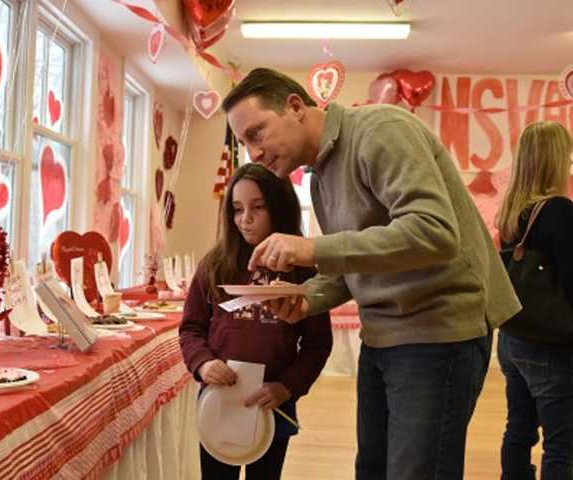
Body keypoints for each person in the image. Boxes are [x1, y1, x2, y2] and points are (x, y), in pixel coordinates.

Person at [222, 68, 521, 480]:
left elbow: (433, 232)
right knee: (374, 470)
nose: (253, 152)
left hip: (438, 333)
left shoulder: (381, 129)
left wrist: (313, 247)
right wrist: (308, 298)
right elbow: (357, 263)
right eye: (243, 143)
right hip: (383, 337)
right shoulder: (322, 173)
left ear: (294, 107)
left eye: (257, 133)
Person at [179, 163, 332, 480]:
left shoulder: (302, 271)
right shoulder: (214, 266)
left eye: (257, 208)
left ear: (279, 207)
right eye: (236, 209)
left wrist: (286, 387)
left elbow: (318, 344)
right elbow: (191, 329)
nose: (244, 219)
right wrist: (204, 364)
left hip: (271, 407)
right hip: (218, 402)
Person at [494, 121, 573, 480]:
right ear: (555, 159)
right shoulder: (558, 210)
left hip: (514, 338)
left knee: (519, 429)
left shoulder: (512, 210)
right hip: (552, 344)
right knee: (562, 444)